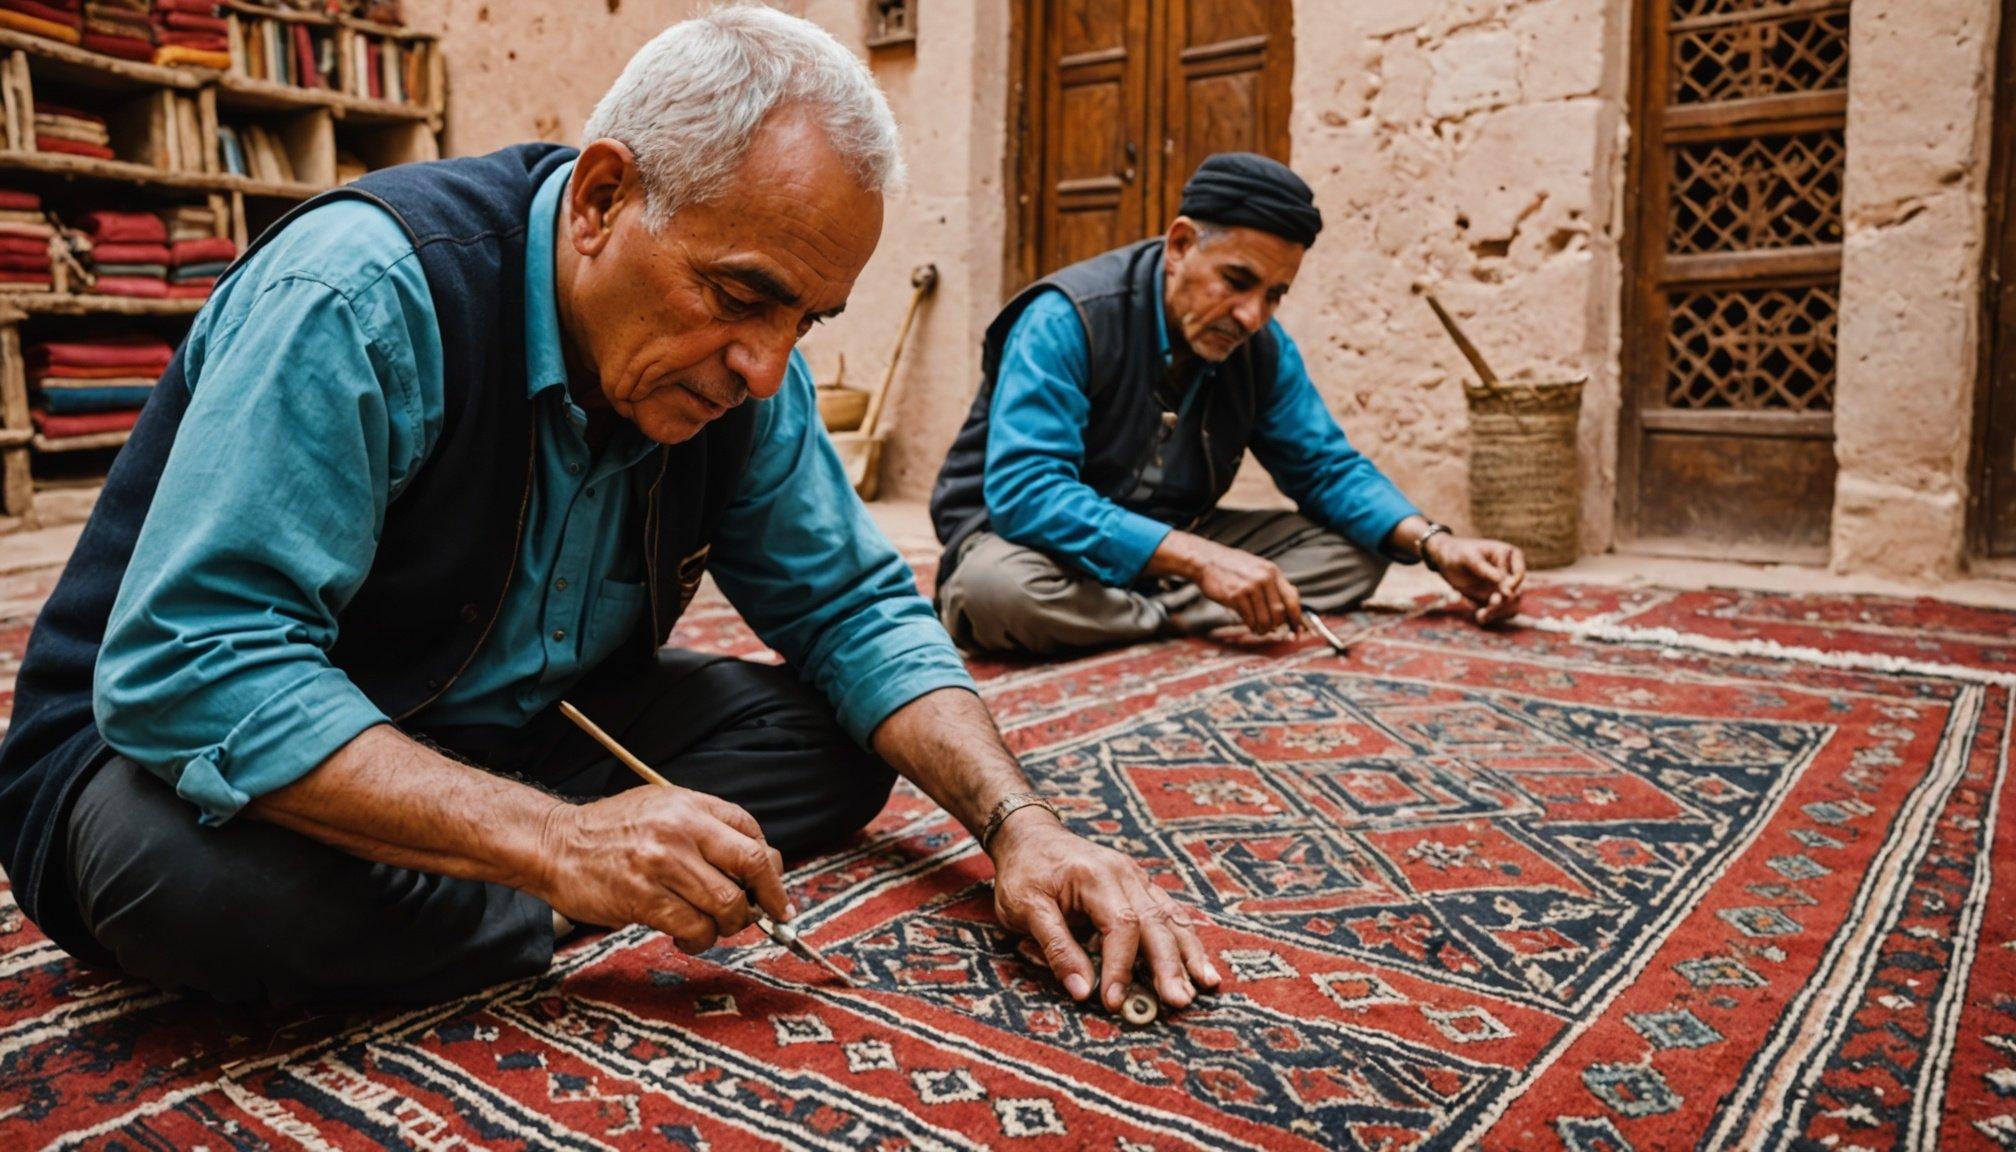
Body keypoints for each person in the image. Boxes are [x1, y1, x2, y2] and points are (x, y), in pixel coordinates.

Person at [0, 8, 1216, 1017]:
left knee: (841, 743)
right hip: (168, 757)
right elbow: (197, 667)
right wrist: (567, 848)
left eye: (807, 321)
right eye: (742, 295)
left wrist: (1019, 826)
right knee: (196, 892)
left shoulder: (749, 366)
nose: (764, 364)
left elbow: (851, 604)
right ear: (600, 199)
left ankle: (466, 883)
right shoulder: (365, 295)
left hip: (507, 733)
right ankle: (531, 874)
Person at [931, 152, 1527, 655]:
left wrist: (1436, 545)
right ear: (1182, 245)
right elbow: (1027, 495)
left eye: (1275, 295)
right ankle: (1189, 609)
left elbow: (1325, 467)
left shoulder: (1261, 347)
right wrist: (1200, 563)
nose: (1253, 315)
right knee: (994, 592)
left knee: (1358, 552)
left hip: (1170, 537)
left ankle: (1149, 610)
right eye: (1238, 282)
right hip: (1035, 546)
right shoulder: (1067, 318)